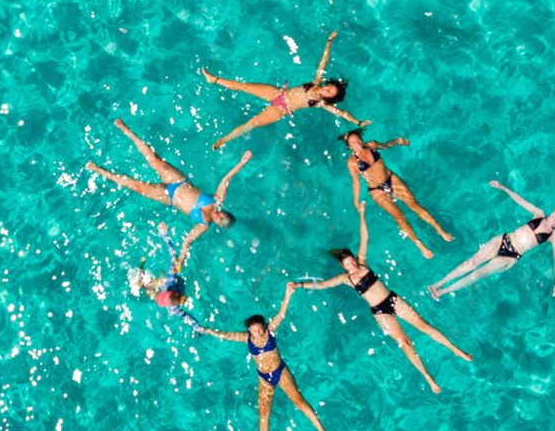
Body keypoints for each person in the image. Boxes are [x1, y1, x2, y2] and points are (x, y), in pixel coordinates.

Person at [293, 203, 472, 394]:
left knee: (424, 326)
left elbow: (365, 236)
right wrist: (300, 285)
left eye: (352, 261)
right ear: (343, 267)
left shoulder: (363, 262)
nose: (353, 265)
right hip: (380, 312)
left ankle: (455, 349)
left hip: (392, 300)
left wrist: (362, 213)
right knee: (405, 343)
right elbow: (323, 284)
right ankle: (428, 377)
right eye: (348, 264)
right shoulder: (344, 279)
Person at [86, 118, 253, 269]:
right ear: (225, 212)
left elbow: (187, 241)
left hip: (168, 197)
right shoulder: (217, 199)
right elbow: (226, 179)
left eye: (220, 222)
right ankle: (126, 129)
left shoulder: (203, 225)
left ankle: (100, 170)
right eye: (223, 216)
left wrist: (180, 260)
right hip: (178, 180)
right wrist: (243, 162)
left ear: (218, 225)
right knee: (152, 158)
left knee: (136, 186)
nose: (218, 217)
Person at [201, 283, 332, 431]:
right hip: (264, 378)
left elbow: (281, 313)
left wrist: (287, 294)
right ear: (249, 331)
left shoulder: (270, 331)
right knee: (264, 416)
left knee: (298, 401)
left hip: (280, 371)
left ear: (264, 326)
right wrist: (207, 331)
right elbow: (226, 335)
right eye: (254, 330)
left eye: (260, 329)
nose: (258, 333)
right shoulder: (246, 338)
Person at [202, 30, 371, 150]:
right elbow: (323, 61)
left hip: (280, 110)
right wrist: (329, 42)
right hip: (277, 93)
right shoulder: (316, 81)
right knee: (243, 86)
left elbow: (341, 113)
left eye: (330, 94)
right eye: (329, 88)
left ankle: (223, 140)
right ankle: (214, 79)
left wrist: (358, 123)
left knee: (250, 124)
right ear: (327, 84)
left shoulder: (320, 104)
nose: (326, 91)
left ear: (329, 99)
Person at [428, 181, 555, 300]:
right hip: (504, 240)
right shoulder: (539, 214)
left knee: (476, 275)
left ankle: (441, 292)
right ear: (554, 211)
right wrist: (503, 187)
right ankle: (438, 284)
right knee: (472, 263)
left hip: (511, 256)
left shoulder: (553, 236)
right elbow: (520, 200)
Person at [341, 129, 452, 259]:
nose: (358, 143)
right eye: (353, 143)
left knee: (415, 205)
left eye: (358, 139)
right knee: (399, 217)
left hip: (391, 179)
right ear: (349, 147)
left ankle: (439, 229)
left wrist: (398, 141)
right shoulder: (352, 162)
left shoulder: (372, 145)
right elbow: (356, 182)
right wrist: (356, 201)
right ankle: (419, 245)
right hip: (377, 190)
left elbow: (387, 145)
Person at [133, 222, 204, 334]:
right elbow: (173, 255)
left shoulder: (174, 309)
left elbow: (189, 317)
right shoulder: (171, 280)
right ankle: (142, 270)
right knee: (148, 287)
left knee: (146, 288)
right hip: (173, 283)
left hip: (170, 284)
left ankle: (141, 265)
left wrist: (165, 235)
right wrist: (164, 234)